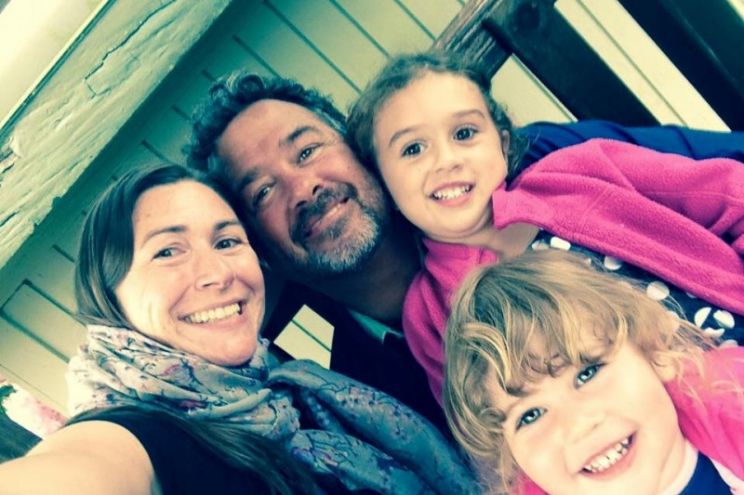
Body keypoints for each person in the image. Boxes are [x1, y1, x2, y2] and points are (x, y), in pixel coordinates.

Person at [185, 65, 744, 421]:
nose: (303, 187)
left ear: (359, 150)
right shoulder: (380, 402)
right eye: (262, 192)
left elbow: (726, 178)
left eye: (308, 151)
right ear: (259, 248)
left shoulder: (541, 161)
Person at [0, 164, 478, 495]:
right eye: (167, 251)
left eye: (227, 241)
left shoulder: (292, 391)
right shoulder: (132, 435)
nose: (217, 273)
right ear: (109, 296)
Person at [345, 51, 744, 403]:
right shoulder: (431, 313)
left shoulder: (580, 170)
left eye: (464, 133)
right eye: (413, 149)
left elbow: (730, 194)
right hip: (668, 439)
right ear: (383, 184)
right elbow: (484, 432)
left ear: (502, 144)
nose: (446, 160)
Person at [444, 250, 744, 494]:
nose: (577, 424)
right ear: (511, 458)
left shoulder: (735, 397)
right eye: (531, 415)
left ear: (655, 353)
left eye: (587, 373)